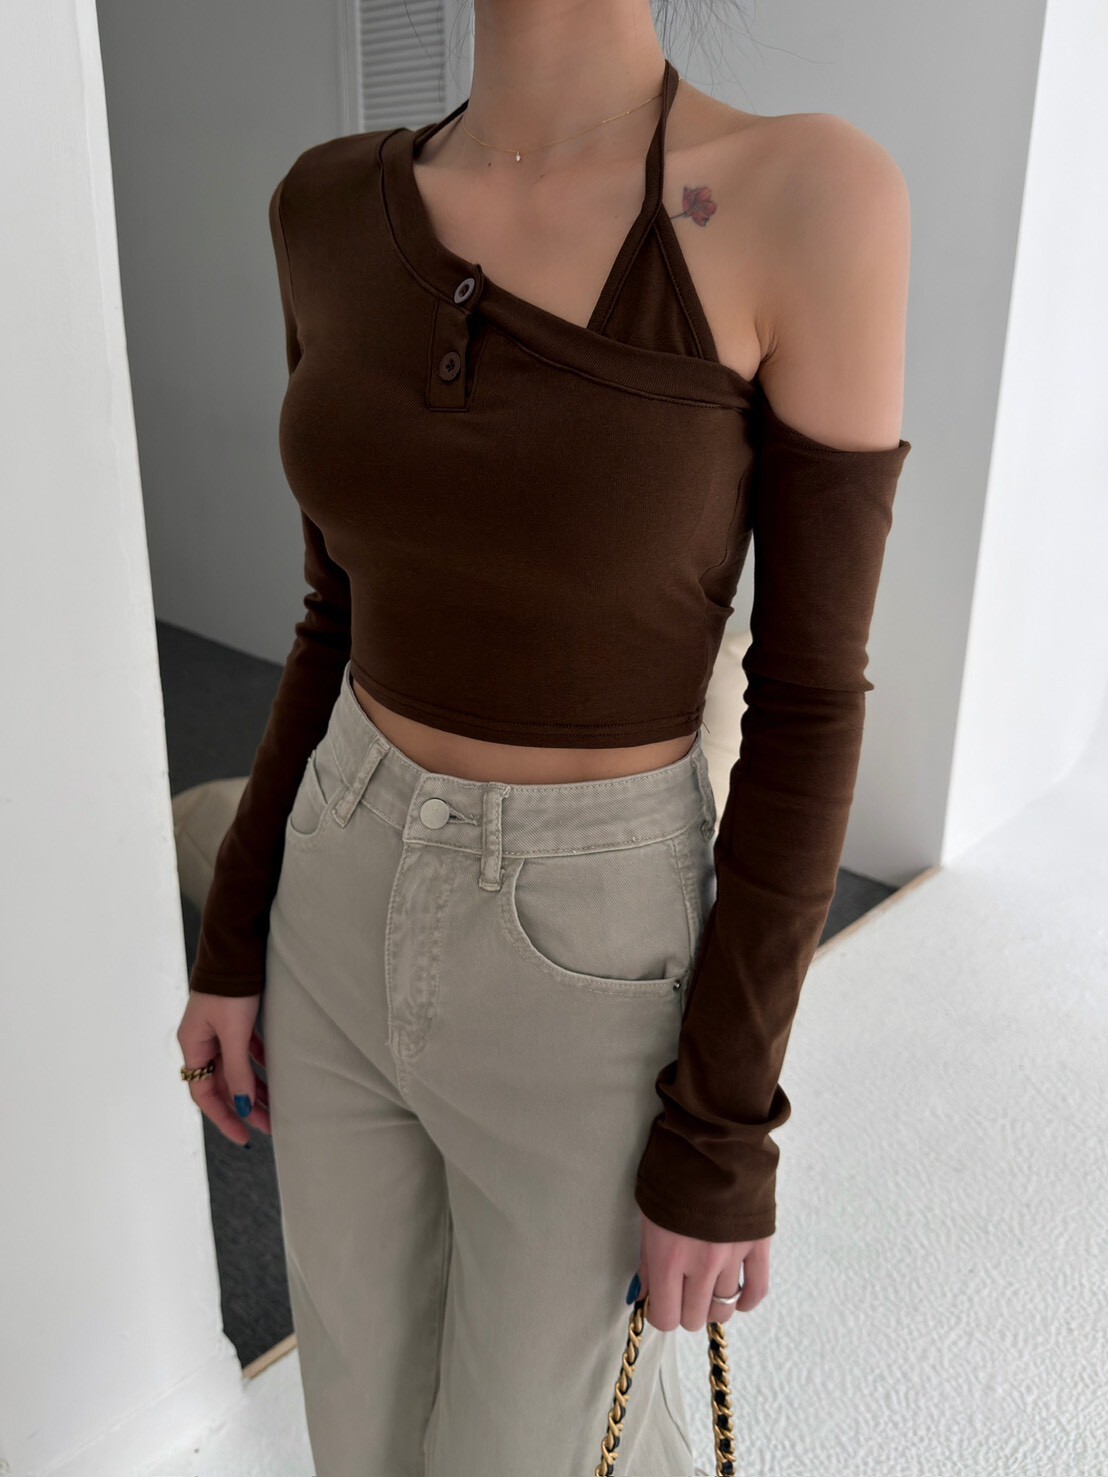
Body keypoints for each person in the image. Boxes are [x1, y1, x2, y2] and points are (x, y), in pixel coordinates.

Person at [177, 5, 911, 1472]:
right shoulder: (323, 206)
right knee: (357, 1432)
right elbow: (335, 615)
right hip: (335, 886)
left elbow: (810, 699)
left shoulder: (806, 194)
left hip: (590, 951)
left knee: (534, 1450)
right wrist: (235, 932)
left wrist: (724, 1125)